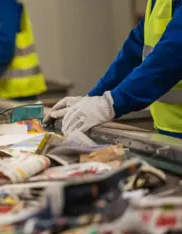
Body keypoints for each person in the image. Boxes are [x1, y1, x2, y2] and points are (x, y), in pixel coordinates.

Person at [47, 0, 182, 139]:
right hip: (170, 132)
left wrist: (111, 103)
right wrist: (94, 98)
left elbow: (170, 57)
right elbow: (133, 53)